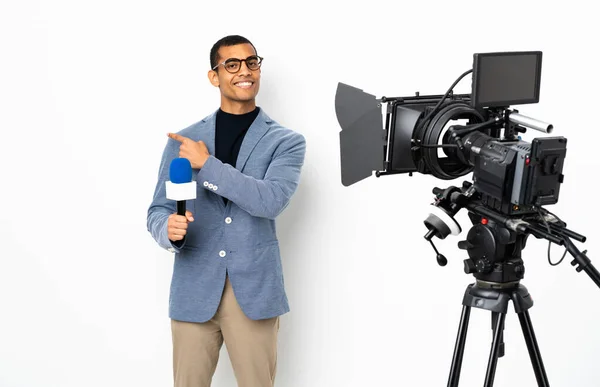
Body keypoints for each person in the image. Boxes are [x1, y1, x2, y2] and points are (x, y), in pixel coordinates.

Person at [146, 35, 306, 387]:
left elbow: (271, 200)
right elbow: (159, 208)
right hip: (194, 288)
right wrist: (166, 229)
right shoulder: (184, 140)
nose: (244, 71)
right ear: (214, 76)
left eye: (252, 62)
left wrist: (208, 165)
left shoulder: (286, 141)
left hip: (253, 291)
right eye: (231, 64)